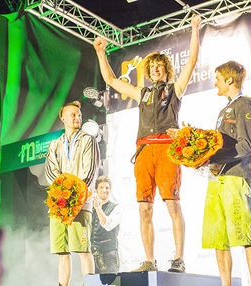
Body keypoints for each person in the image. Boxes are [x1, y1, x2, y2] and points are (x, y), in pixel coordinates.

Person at [92, 14, 201, 273]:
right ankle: (149, 261)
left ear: (165, 69)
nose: (155, 69)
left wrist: (195, 28)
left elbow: (193, 60)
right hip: (143, 152)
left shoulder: (175, 89)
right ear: (149, 72)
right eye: (151, 67)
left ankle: (178, 258)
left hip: (166, 150)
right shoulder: (143, 93)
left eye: (159, 66)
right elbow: (110, 81)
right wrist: (100, 53)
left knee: (173, 204)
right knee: (143, 210)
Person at [202, 61, 251, 286]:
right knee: (219, 238)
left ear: (229, 80)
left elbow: (246, 146)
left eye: (217, 78)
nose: (215, 82)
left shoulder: (246, 105)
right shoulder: (222, 110)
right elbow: (220, 145)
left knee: (246, 235)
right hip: (216, 178)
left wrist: (214, 157)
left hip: (236, 176)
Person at [45, 100, 100, 286]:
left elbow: (89, 172)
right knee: (62, 252)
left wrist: (73, 196)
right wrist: (62, 194)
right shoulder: (55, 144)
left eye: (79, 115)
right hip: (59, 206)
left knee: (83, 249)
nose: (78, 117)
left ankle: (89, 284)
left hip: (81, 204)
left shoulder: (88, 140)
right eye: (73, 115)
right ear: (63, 118)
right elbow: (50, 172)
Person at [91, 176, 122, 274]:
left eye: (107, 188)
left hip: (109, 254)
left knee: (111, 283)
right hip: (92, 255)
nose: (105, 190)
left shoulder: (116, 208)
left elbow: (107, 225)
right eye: (101, 187)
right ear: (95, 190)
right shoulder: (90, 210)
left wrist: (98, 208)